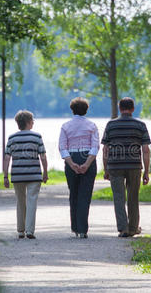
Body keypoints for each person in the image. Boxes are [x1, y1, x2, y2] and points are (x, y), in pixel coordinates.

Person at [101, 97, 151, 238]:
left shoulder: (111, 125)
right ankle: (133, 228)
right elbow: (145, 150)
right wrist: (146, 171)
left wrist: (106, 169)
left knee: (119, 197)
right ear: (133, 109)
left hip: (115, 165)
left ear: (119, 108)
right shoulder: (140, 125)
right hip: (134, 166)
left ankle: (123, 229)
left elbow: (105, 150)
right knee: (133, 197)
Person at [3, 110, 48, 239]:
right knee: (32, 201)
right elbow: (43, 156)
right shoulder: (37, 137)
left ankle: (20, 230)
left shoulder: (12, 138)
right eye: (32, 120)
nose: (33, 122)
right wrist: (45, 172)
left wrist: (6, 176)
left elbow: (7, 158)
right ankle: (29, 231)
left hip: (17, 175)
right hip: (34, 175)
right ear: (28, 122)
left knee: (20, 201)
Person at [59, 97, 99, 239]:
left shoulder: (65, 126)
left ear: (72, 109)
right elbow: (95, 147)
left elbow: (62, 148)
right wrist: (87, 164)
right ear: (86, 110)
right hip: (87, 157)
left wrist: (72, 164)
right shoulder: (92, 125)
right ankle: (83, 229)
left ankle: (75, 227)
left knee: (73, 193)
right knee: (85, 194)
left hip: (72, 158)